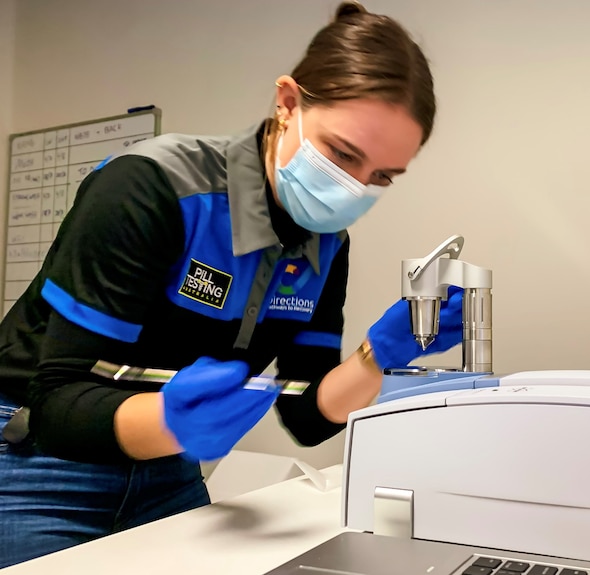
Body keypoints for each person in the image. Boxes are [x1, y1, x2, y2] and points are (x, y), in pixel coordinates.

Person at [0, 2, 464, 568]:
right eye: (343, 155)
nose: (354, 189)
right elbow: (56, 405)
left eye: (383, 177)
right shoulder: (151, 189)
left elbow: (307, 413)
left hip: (165, 471)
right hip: (37, 458)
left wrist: (379, 356)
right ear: (288, 103)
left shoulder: (327, 244)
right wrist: (170, 423)